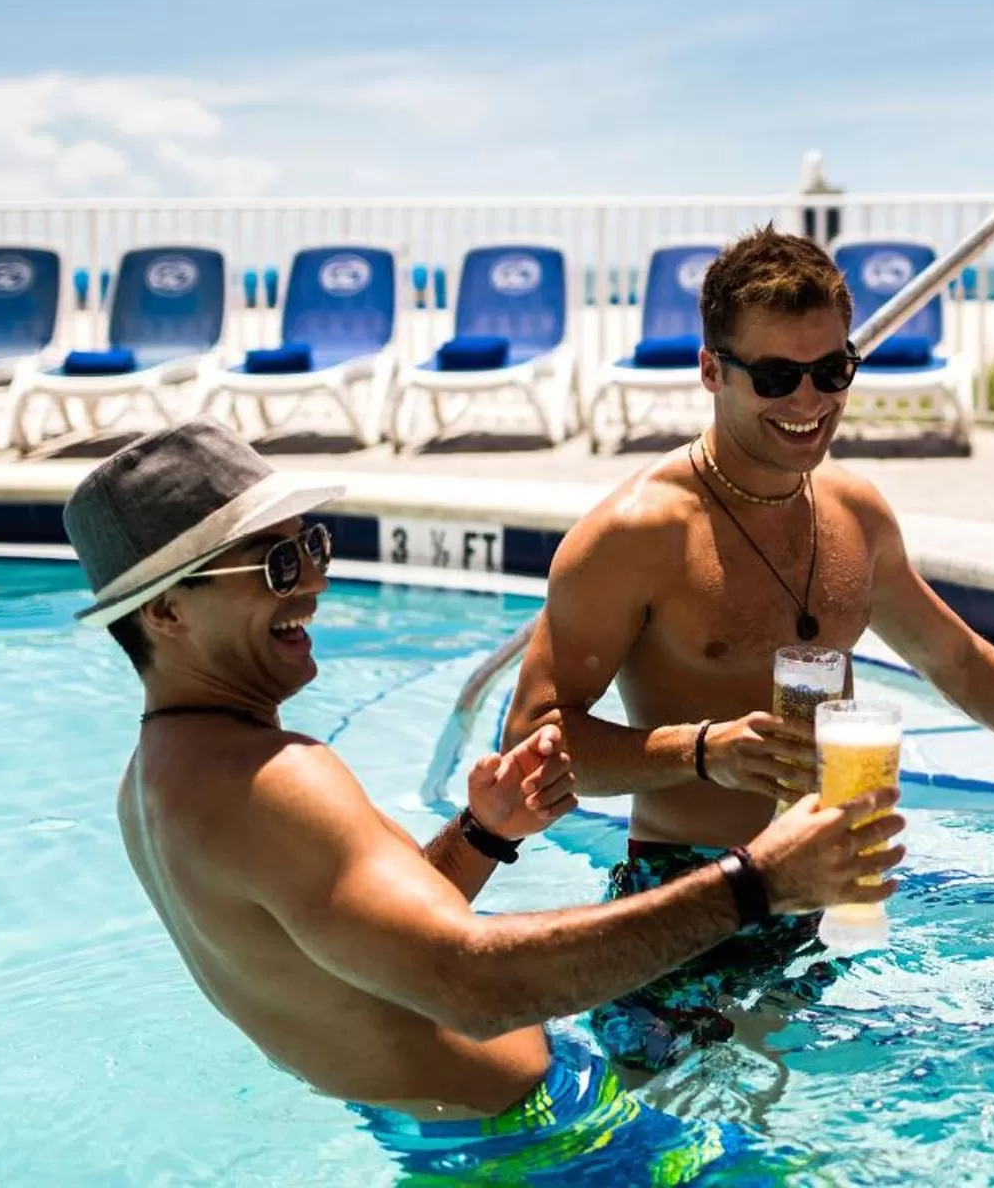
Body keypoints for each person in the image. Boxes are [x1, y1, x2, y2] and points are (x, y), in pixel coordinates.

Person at [72, 418, 904, 1185]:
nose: (315, 584)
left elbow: (363, 963)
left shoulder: (158, 777)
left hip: (470, 1141)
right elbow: (470, 987)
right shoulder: (271, 781)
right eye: (277, 564)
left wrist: (481, 835)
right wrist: (758, 881)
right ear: (169, 611)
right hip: (545, 1147)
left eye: (313, 546)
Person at [505, 226, 994, 1062]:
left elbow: (955, 661)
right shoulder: (637, 535)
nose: (810, 401)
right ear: (712, 371)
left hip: (826, 892)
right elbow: (530, 746)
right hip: (686, 896)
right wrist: (702, 750)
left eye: (832, 372)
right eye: (778, 377)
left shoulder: (855, 515)